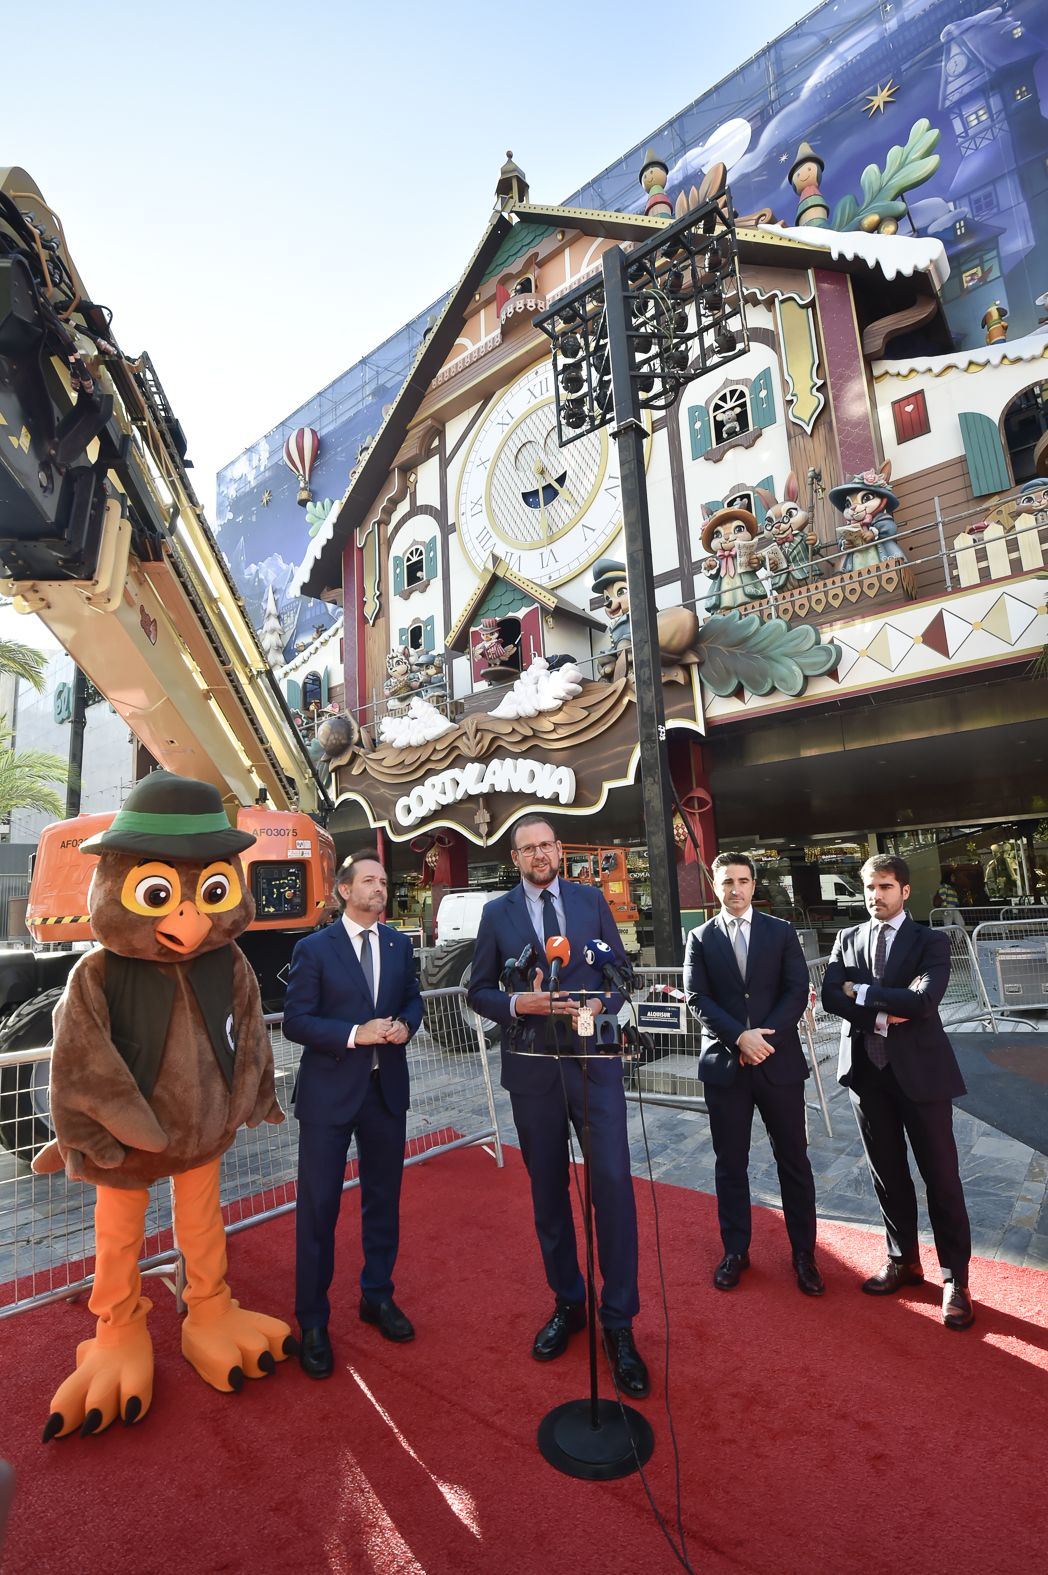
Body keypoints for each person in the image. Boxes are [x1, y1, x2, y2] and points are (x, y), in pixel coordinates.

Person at [466, 814, 649, 1398]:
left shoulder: (592, 900)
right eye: (528, 848)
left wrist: (598, 1006)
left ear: (559, 850)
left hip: (594, 1064)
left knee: (613, 1189)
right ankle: (569, 1301)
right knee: (548, 1193)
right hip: (532, 1069)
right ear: (515, 858)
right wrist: (524, 1002)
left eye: (547, 845)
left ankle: (618, 1322)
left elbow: (619, 973)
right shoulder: (497, 914)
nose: (540, 854)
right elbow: (478, 989)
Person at [284, 850, 424, 1378]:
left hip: (385, 1091)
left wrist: (406, 1026)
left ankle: (377, 1296)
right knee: (318, 1209)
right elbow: (296, 1020)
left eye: (383, 881)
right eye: (368, 881)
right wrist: (352, 1034)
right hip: (329, 1095)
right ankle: (313, 1321)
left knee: (383, 1202)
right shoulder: (313, 949)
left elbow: (414, 1001)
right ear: (344, 890)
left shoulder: (398, 944)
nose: (379, 888)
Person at [821, 854, 974, 1331]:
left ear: (904, 891)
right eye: (869, 887)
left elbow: (925, 1001)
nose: (875, 896)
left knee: (941, 1177)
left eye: (885, 887)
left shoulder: (930, 940)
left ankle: (956, 1280)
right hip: (868, 1075)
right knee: (887, 1175)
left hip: (921, 1075)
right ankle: (903, 1260)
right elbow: (829, 996)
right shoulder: (847, 938)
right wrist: (885, 1012)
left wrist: (861, 994)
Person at [683, 852, 824, 1296]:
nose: (736, 889)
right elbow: (696, 997)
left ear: (753, 884)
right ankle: (735, 1251)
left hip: (777, 1064)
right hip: (727, 1068)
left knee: (794, 1161)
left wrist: (763, 1041)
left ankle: (804, 1254)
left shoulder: (781, 932)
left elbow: (796, 990)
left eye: (743, 881)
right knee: (730, 1164)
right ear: (715, 885)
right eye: (727, 882)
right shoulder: (700, 937)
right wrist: (738, 1039)